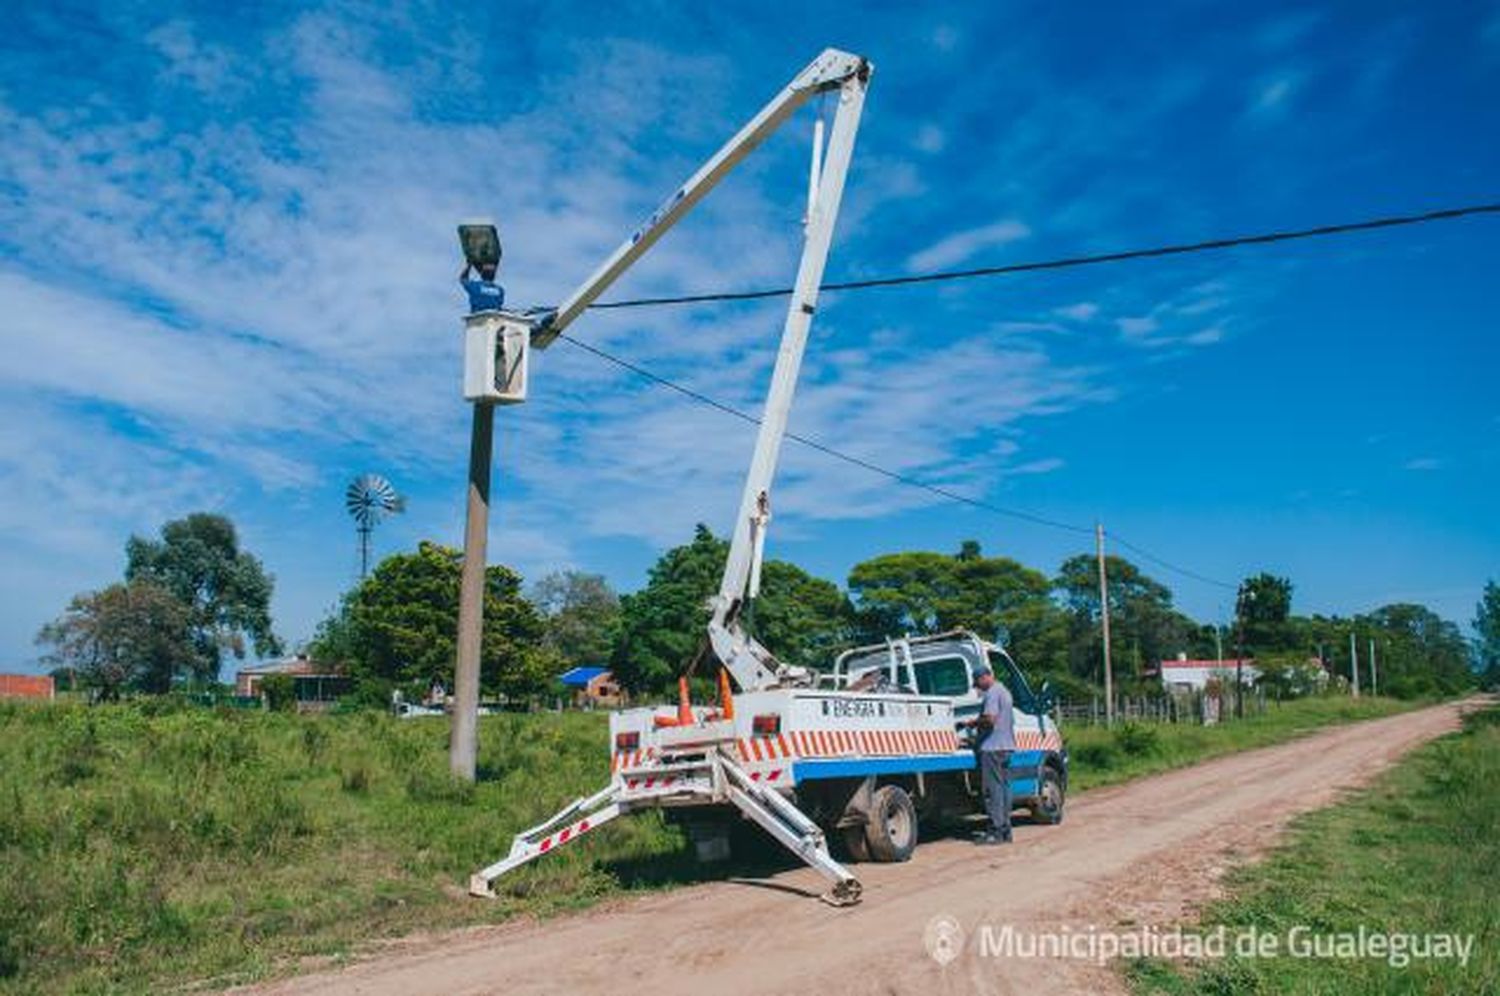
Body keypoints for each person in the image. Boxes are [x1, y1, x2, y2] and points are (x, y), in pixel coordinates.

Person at [968, 662, 1015, 845]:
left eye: (978, 683)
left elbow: (990, 719)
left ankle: (996, 831)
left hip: (992, 748)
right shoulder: (1004, 691)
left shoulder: (993, 693)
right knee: (1003, 788)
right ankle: (1005, 829)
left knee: (992, 790)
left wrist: (973, 723)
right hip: (1005, 746)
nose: (978, 688)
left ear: (984, 678)